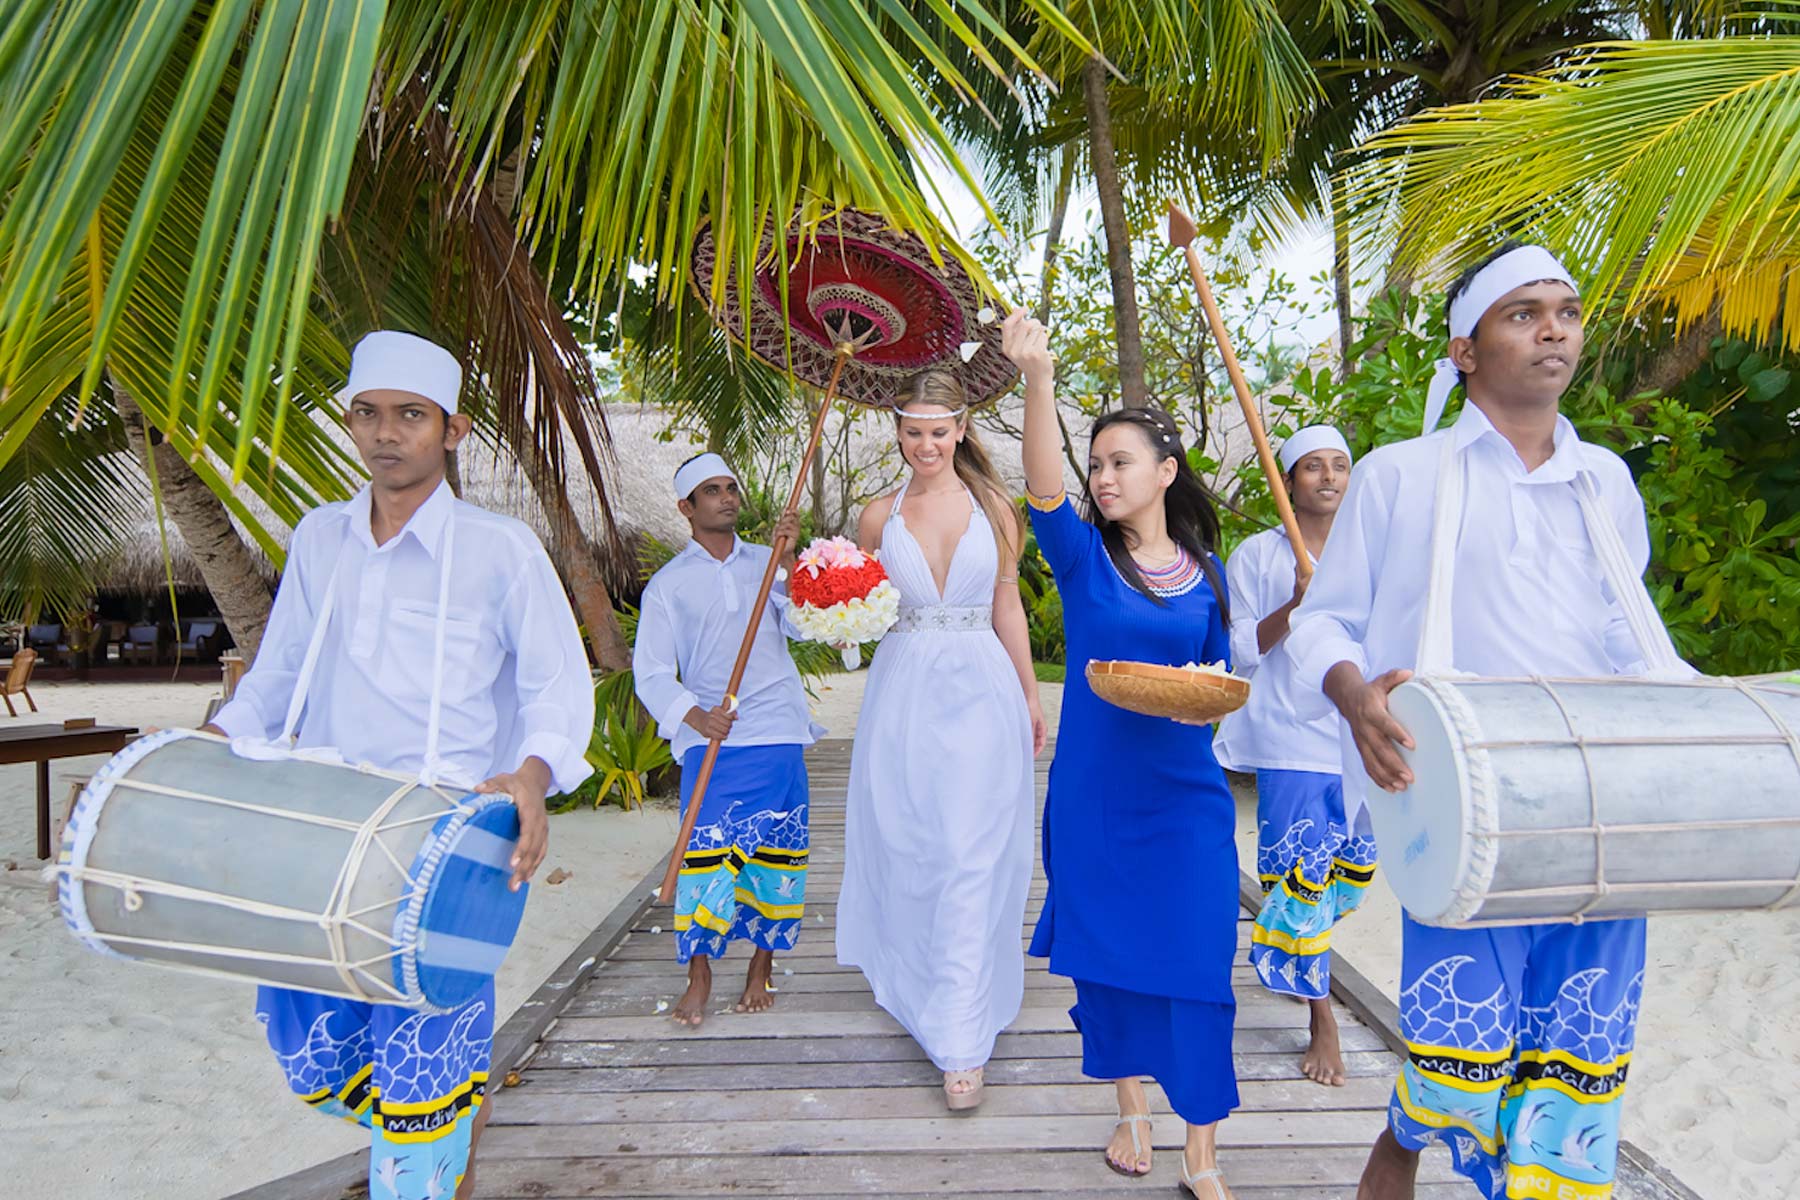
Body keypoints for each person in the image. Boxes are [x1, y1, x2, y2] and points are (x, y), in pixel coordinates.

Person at [1284, 244, 1685, 1200]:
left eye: (1567, 311)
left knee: (1582, 1042)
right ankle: (1404, 1139)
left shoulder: (1608, 485)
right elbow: (1324, 621)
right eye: (1523, 313)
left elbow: (1632, 641)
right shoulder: (1398, 477)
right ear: (1465, 350)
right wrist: (1353, 693)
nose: (1553, 329)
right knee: (1458, 1041)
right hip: (1466, 804)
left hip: (1597, 802)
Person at [207, 330, 596, 1200]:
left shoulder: (502, 550)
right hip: (325, 830)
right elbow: (278, 675)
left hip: (449, 837)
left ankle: (436, 1160)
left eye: (410, 417)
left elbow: (558, 690)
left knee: (426, 1067)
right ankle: (445, 1136)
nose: (387, 434)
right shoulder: (320, 538)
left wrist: (530, 780)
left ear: (453, 431)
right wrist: (210, 749)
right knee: (310, 1044)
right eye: (369, 414)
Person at [1007, 311, 1241, 1199]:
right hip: (1097, 798)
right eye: (1096, 463)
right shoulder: (1083, 560)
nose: (1103, 477)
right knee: (1111, 958)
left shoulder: (1208, 573)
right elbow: (1041, 488)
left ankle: (1203, 1152)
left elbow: (1220, 679)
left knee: (1197, 957)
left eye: (1120, 462)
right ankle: (1133, 1107)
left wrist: (1205, 704)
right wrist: (1039, 379)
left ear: (1165, 473)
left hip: (1185, 798)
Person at [835, 369, 1045, 1111]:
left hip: (982, 687)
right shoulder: (874, 516)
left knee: (971, 851)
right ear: (897, 431)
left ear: (961, 429)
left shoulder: (995, 506)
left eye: (939, 430)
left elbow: (1007, 605)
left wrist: (1027, 694)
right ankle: (921, 985)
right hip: (905, 690)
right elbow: (861, 607)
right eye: (913, 431)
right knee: (915, 842)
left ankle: (961, 1038)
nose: (926, 445)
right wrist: (830, 613)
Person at [634, 453, 821, 1028]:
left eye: (730, 487)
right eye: (710, 491)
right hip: (715, 741)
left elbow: (807, 626)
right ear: (686, 508)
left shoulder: (768, 564)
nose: (726, 497)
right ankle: (699, 972)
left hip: (779, 729)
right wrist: (695, 716)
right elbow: (652, 673)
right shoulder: (669, 585)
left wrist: (788, 567)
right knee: (705, 857)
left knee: (776, 854)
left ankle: (761, 966)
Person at [1213, 425, 1374, 1087]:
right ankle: (1322, 1017)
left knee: (1349, 874)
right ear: (1289, 479)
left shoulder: (1373, 547)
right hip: (1291, 738)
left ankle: (1297, 957)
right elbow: (1242, 648)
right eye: (1313, 467)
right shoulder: (1258, 554)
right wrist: (1296, 604)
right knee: (1300, 882)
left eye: (1340, 465)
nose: (1329, 477)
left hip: (1359, 734)